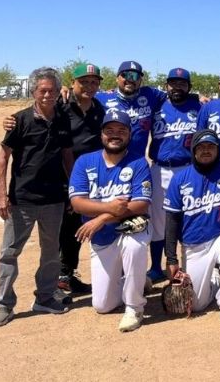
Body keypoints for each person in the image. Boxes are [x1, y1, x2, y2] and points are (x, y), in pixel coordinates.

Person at [1, 62, 103, 296]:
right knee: (61, 230)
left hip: (90, 177)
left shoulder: (100, 107)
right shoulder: (61, 104)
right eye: (83, 82)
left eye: (93, 82)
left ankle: (68, 273)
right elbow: (38, 108)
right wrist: (10, 121)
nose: (89, 86)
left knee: (76, 227)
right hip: (61, 176)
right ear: (72, 84)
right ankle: (59, 280)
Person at [0, 67, 74, 327]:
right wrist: (2, 196)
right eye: (42, 90)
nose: (47, 95)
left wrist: (72, 191)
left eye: (51, 90)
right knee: (9, 253)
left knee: (50, 253)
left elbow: (67, 156)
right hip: (21, 200)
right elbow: (4, 157)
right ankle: (4, 305)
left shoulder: (62, 119)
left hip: (53, 200)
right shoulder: (20, 120)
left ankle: (45, 298)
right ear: (34, 92)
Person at [68, 109, 152, 332]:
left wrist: (102, 218)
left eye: (121, 130)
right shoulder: (85, 161)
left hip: (130, 227)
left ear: (129, 134)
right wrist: (109, 208)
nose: (115, 135)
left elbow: (141, 204)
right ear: (102, 134)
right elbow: (77, 203)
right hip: (102, 238)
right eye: (110, 130)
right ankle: (136, 280)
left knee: (134, 248)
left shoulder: (138, 162)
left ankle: (135, 307)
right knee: (103, 305)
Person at [163, 129, 220, 325]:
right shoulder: (180, 178)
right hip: (193, 244)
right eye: (201, 147)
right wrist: (171, 258)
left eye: (210, 147)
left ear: (218, 149)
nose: (206, 151)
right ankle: (216, 280)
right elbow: (172, 220)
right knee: (197, 305)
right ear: (193, 150)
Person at [146, 68, 202, 282]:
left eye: (182, 83)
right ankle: (155, 267)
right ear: (167, 85)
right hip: (160, 169)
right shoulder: (156, 105)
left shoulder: (198, 107)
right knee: (159, 221)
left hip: (188, 168)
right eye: (173, 83)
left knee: (189, 217)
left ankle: (190, 263)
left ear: (189, 87)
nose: (177, 87)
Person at [96, 60, 166, 160]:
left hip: (138, 162)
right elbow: (80, 99)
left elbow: (175, 96)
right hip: (110, 161)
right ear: (117, 78)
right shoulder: (102, 98)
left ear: (140, 80)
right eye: (126, 75)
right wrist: (65, 89)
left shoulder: (150, 94)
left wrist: (193, 98)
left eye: (135, 76)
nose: (130, 79)